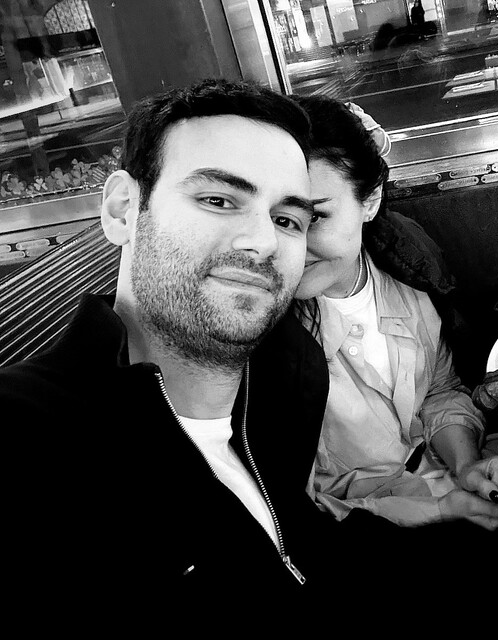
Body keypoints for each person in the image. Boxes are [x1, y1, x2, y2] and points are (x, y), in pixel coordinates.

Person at [1, 79, 344, 632]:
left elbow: (294, 549)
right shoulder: (29, 434)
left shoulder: (288, 378)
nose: (262, 242)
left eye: (287, 220)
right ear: (123, 211)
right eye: (218, 200)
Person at [291, 94, 498, 636]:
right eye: (280, 217)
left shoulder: (406, 273)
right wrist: (435, 507)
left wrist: (465, 464)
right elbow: (292, 507)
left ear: (370, 199)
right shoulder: (264, 338)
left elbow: (440, 390)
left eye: (315, 216)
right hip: (364, 554)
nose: (291, 244)